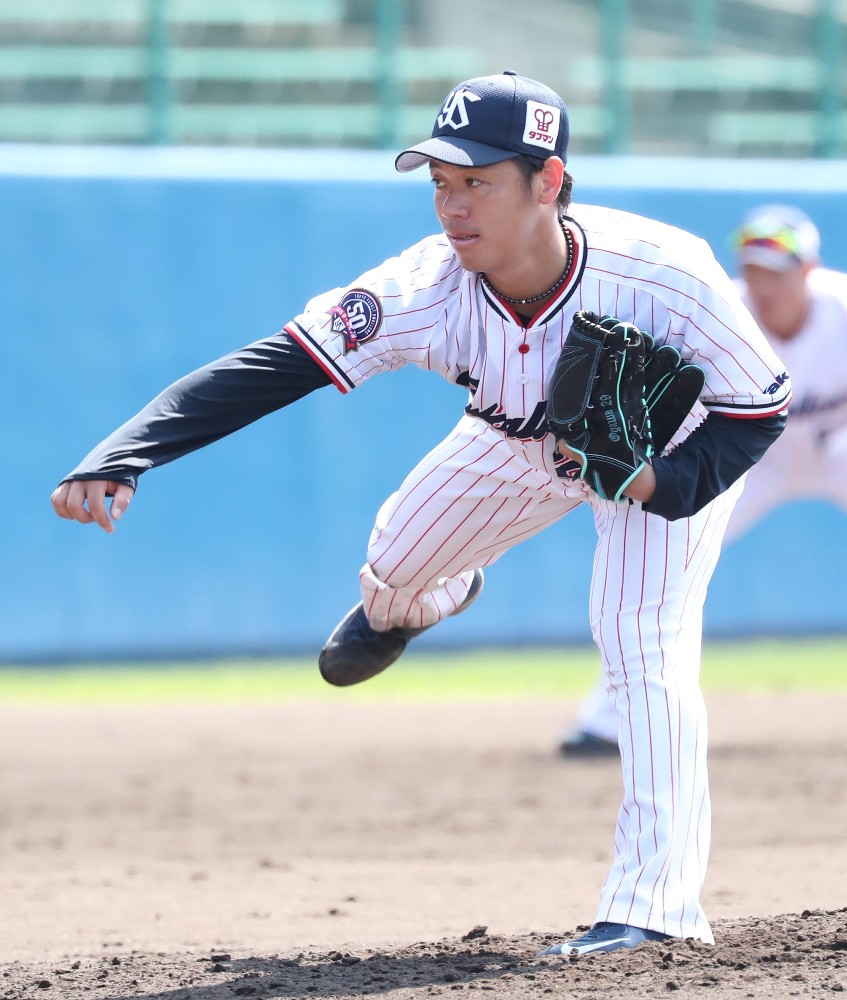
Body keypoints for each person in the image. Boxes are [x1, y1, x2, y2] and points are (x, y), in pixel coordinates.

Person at [50, 71, 790, 956]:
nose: (452, 205)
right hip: (508, 442)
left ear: (548, 182)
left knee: (639, 638)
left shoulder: (663, 272)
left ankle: (653, 908)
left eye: (477, 181)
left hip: (662, 453)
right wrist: (128, 449)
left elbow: (759, 407)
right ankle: (427, 597)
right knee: (396, 564)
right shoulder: (422, 285)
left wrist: (656, 486)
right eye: (440, 182)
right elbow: (275, 367)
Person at [560, 203, 847, 760]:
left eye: (778, 272)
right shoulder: (726, 314)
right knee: (662, 562)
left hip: (839, 446)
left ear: (809, 271)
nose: (764, 286)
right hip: (755, 458)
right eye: (754, 271)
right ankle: (608, 722)